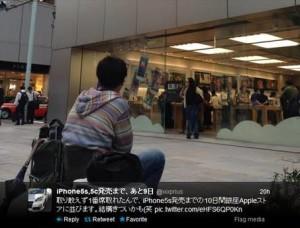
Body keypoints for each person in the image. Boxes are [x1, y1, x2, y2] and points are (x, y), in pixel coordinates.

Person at [62, 56, 165, 190]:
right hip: (100, 174)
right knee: (156, 157)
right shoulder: (119, 104)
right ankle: (139, 203)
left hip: (70, 170)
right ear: (122, 81)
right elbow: (124, 150)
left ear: (98, 77)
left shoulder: (82, 97)